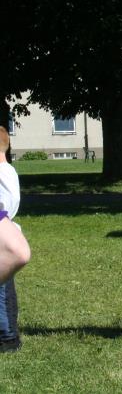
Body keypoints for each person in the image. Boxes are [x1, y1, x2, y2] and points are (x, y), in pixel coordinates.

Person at [0, 126, 29, 352]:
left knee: (2, 292)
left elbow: (6, 204)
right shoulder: (7, 170)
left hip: (3, 235)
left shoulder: (3, 173)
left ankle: (8, 337)